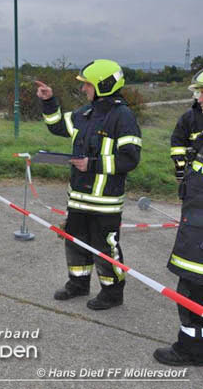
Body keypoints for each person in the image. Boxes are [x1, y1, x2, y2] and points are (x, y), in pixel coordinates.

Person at [35, 59, 142, 310]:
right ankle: (78, 283)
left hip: (105, 201)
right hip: (78, 197)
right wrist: (49, 101)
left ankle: (113, 293)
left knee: (105, 247)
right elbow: (57, 126)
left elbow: (130, 158)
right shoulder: (85, 113)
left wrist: (92, 165)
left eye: (88, 85)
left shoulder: (123, 117)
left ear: (104, 85)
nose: (84, 90)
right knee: (75, 241)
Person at [154, 69, 203, 366]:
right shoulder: (190, 118)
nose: (199, 96)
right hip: (196, 218)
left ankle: (190, 350)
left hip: (199, 229)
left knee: (191, 287)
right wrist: (183, 172)